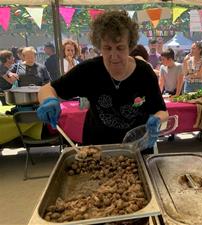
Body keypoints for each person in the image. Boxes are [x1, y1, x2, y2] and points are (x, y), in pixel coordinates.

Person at [36, 10, 168, 152]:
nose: (114, 55)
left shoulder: (144, 73)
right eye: (107, 48)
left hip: (137, 149)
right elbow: (48, 89)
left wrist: (157, 120)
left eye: (120, 48)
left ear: (130, 46)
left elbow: (161, 110)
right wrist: (48, 100)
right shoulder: (89, 70)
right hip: (97, 150)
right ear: (99, 46)